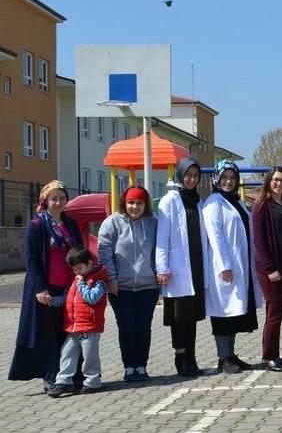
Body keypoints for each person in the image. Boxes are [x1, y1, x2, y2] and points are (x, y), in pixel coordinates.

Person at [9, 180, 84, 391]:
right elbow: (31, 260)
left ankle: (72, 374)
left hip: (68, 287)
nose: (58, 202)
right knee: (47, 334)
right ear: (45, 201)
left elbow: (79, 252)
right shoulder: (37, 225)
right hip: (45, 289)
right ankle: (51, 375)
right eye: (54, 199)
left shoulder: (71, 225)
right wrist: (40, 288)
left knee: (68, 331)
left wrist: (80, 280)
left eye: (62, 198)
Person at [203, 160, 261, 374]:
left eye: (232, 178)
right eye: (224, 177)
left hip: (241, 265)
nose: (228, 181)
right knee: (222, 313)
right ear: (216, 179)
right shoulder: (213, 203)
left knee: (235, 311)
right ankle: (223, 357)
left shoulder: (237, 202)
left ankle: (231, 354)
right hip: (224, 267)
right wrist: (224, 265)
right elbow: (215, 236)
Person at [98, 185, 159, 382]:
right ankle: (129, 366)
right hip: (120, 287)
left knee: (143, 326)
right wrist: (111, 279)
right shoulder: (112, 223)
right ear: (125, 203)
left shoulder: (153, 222)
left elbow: (160, 251)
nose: (135, 207)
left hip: (147, 286)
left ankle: (141, 366)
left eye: (139, 203)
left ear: (145, 204)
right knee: (127, 327)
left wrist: (158, 276)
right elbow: (104, 253)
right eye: (131, 202)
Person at [156, 157, 210, 377]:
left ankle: (192, 356)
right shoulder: (169, 200)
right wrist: (162, 268)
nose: (191, 179)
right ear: (180, 175)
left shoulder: (197, 200)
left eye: (195, 176)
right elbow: (162, 237)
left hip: (196, 266)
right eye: (188, 175)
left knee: (192, 316)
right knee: (179, 317)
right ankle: (181, 357)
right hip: (177, 269)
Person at [252, 166, 282, 372]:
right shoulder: (262, 204)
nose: (279, 183)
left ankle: (276, 354)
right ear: (268, 182)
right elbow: (260, 241)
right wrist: (270, 268)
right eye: (275, 180)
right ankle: (269, 357)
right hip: (271, 269)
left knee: (278, 312)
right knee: (274, 313)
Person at [47, 247, 108, 397]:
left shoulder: (98, 281)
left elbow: (92, 298)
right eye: (74, 270)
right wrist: (52, 301)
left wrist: (81, 284)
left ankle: (93, 381)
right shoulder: (74, 281)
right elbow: (66, 298)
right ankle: (63, 381)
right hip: (73, 328)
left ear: (89, 263)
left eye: (80, 268)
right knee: (66, 353)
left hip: (89, 328)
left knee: (90, 356)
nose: (77, 272)